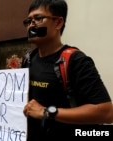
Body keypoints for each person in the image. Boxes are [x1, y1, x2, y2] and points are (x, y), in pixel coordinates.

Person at [22, 0, 113, 140]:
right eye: (28, 21)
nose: (31, 25)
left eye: (38, 18)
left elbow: (106, 113)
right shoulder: (28, 59)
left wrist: (46, 112)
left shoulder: (76, 61)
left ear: (58, 23)